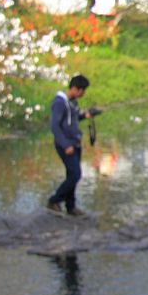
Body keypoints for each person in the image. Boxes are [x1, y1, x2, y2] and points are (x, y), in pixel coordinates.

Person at [47, 75, 94, 216]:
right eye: (82, 91)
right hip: (66, 145)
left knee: (71, 174)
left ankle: (70, 206)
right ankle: (54, 200)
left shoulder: (72, 102)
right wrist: (65, 144)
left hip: (75, 143)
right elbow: (55, 126)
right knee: (75, 175)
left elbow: (72, 118)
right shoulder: (60, 103)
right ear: (75, 88)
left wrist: (85, 116)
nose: (83, 94)